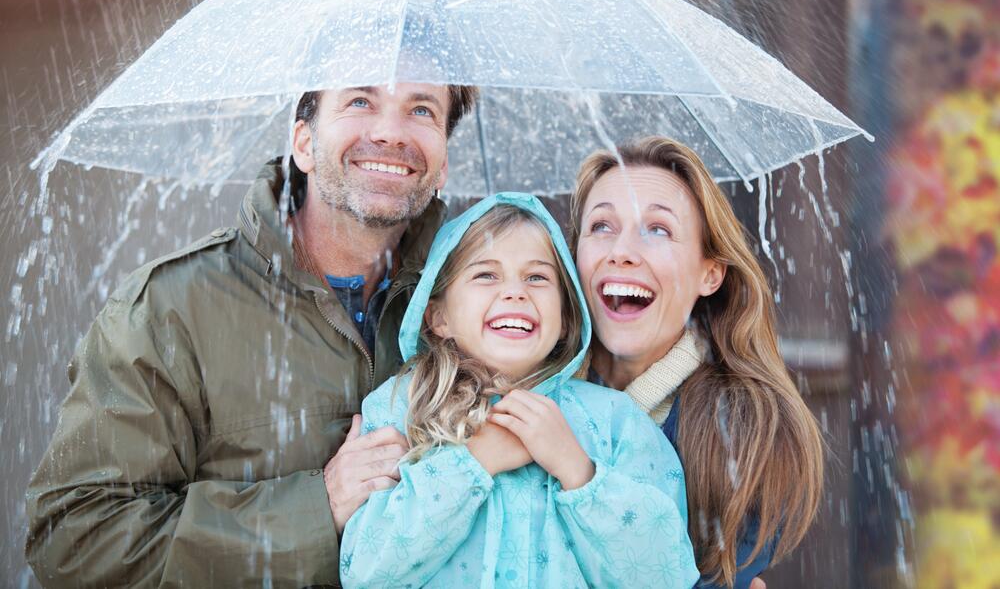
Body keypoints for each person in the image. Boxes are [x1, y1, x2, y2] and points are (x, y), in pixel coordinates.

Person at [25, 82, 476, 586]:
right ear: (303, 143)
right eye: (359, 101)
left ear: (443, 162)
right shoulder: (171, 307)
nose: (391, 132)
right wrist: (317, 509)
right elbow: (77, 538)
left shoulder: (484, 308)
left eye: (421, 110)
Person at [338, 193, 700, 588]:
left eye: (537, 278)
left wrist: (578, 472)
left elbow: (667, 575)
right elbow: (367, 572)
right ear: (438, 315)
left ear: (566, 317)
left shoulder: (616, 422)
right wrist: (474, 462)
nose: (515, 292)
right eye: (486, 275)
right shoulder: (403, 410)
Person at [571, 136, 825, 589]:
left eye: (658, 229)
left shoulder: (748, 430)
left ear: (709, 274)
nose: (621, 250)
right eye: (602, 226)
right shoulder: (526, 395)